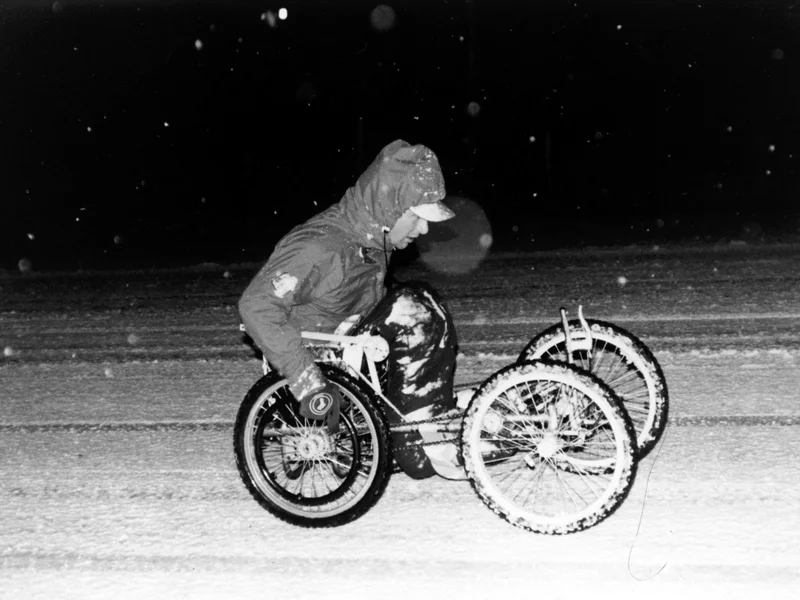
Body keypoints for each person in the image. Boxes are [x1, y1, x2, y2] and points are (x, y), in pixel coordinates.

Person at [238, 139, 468, 480]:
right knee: (412, 308)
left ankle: (432, 415)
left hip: (351, 350)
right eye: (418, 218)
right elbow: (256, 306)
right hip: (321, 360)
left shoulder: (369, 243)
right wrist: (308, 381)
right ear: (391, 209)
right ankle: (418, 441)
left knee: (421, 301)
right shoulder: (321, 246)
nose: (424, 230)